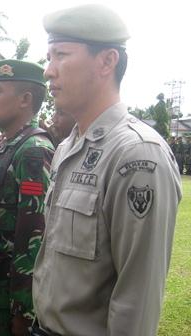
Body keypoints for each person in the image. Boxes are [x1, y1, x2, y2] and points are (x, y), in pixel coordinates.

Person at [32, 4, 182, 336]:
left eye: (61, 55)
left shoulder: (137, 154)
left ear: (106, 61)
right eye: (49, 57)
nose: (48, 70)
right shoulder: (67, 148)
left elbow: (137, 299)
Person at [0, 60, 54, 336]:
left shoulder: (33, 150)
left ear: (25, 99)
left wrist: (23, 311)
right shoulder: (7, 145)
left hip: (11, 298)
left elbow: (33, 237)